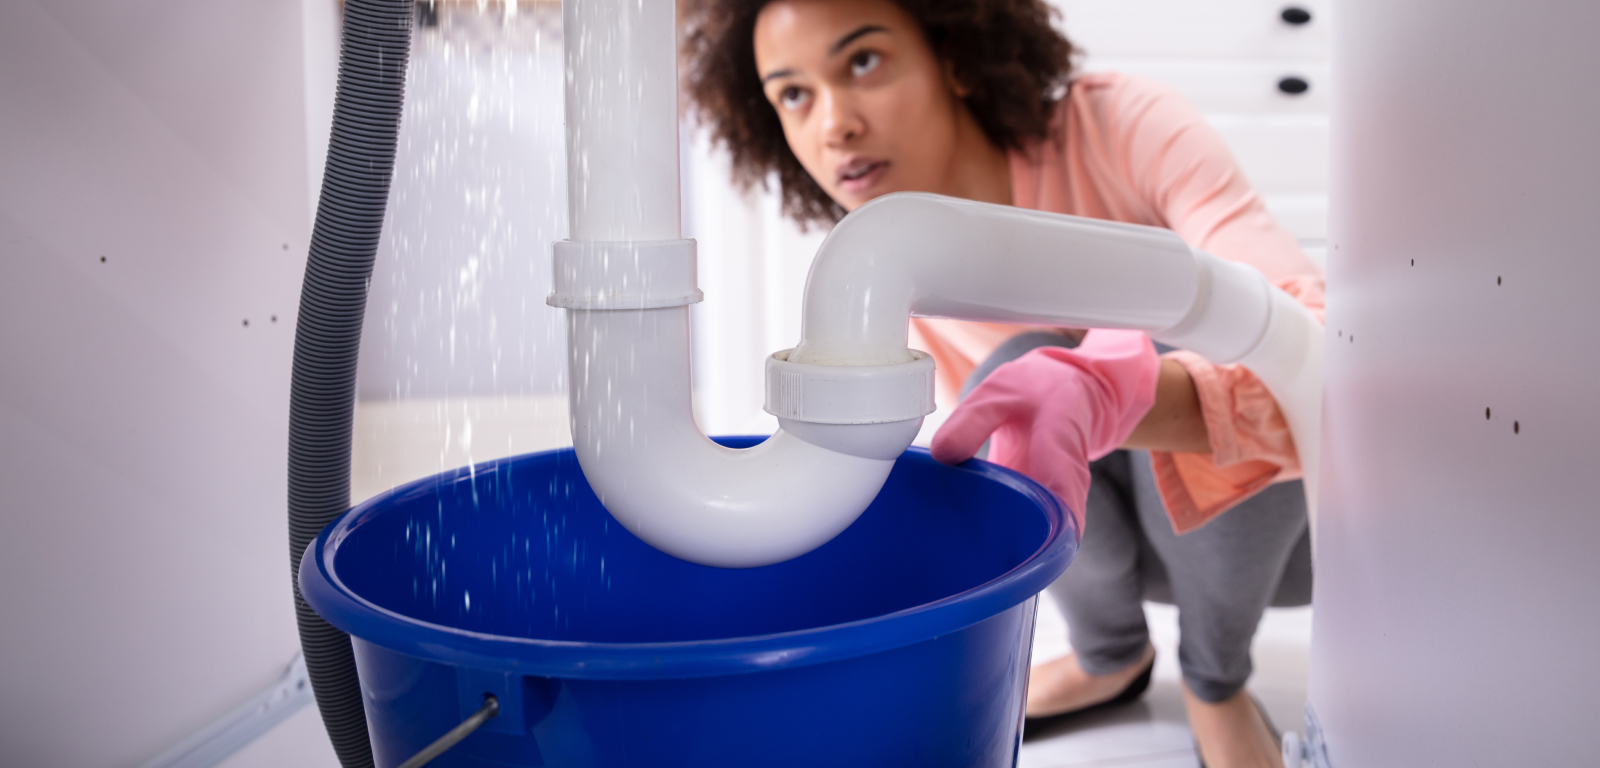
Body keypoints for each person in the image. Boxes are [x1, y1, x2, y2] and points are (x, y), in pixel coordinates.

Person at [682, 1, 1321, 766]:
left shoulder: (1121, 128)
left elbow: (1313, 344)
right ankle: (1108, 654)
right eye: (793, 93)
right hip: (1133, 553)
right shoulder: (900, 262)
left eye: (861, 62)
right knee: (1015, 368)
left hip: (1287, 535)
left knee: (1163, 319)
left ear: (952, 54)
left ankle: (1214, 681)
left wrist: (1124, 388)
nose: (834, 124)